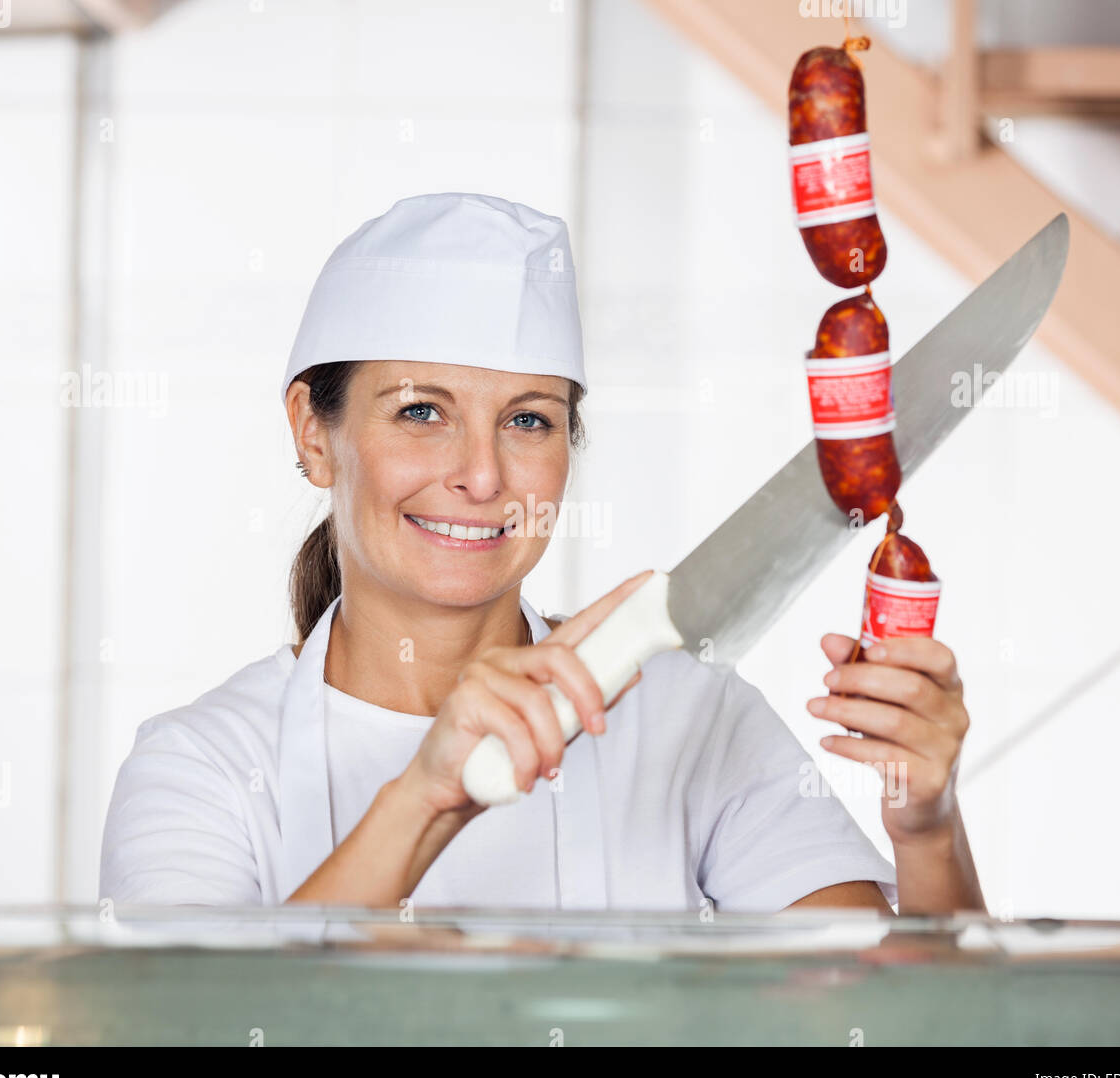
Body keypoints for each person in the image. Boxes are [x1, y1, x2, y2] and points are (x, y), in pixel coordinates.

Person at [99, 191, 984, 915]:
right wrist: (425, 798)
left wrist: (928, 828)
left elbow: (898, 1028)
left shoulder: (685, 717)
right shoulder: (203, 768)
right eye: (421, 411)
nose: (482, 476)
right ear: (314, 432)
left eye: (528, 420)